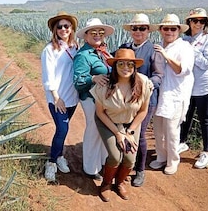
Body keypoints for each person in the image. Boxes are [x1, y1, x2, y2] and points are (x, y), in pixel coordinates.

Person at [90, 48, 152, 202]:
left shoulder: (143, 82)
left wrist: (129, 132)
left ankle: (119, 183)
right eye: (121, 64)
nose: (126, 68)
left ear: (134, 66)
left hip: (131, 123)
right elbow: (100, 113)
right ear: (115, 66)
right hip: (108, 121)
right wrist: (118, 134)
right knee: (115, 155)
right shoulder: (104, 84)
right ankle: (105, 184)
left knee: (130, 158)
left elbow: (143, 111)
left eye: (130, 65)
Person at [118, 13, 165, 187]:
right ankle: (123, 164)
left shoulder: (154, 49)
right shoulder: (123, 47)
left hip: (146, 100)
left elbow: (159, 76)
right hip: (125, 99)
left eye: (142, 28)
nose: (138, 31)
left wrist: (147, 85)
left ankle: (140, 170)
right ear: (131, 31)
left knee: (140, 134)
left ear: (148, 31)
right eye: (135, 28)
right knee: (124, 130)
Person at [149, 14, 194, 175]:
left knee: (172, 130)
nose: (169, 31)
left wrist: (165, 55)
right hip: (160, 95)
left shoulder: (185, 47)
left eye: (173, 29)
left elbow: (182, 69)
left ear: (179, 31)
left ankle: (172, 160)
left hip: (176, 95)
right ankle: (161, 157)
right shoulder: (159, 45)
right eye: (166, 28)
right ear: (161, 30)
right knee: (158, 128)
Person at [73, 18, 115, 180]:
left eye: (100, 32)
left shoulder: (103, 51)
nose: (98, 35)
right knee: (94, 130)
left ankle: (103, 162)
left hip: (104, 98)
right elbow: (78, 81)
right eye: (93, 32)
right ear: (86, 36)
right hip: (90, 98)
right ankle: (90, 168)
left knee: (103, 130)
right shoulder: (83, 55)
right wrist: (93, 78)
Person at [178, 8, 208, 169]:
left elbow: (205, 64)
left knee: (205, 119)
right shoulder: (184, 39)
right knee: (186, 116)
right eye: (195, 20)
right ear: (189, 22)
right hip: (188, 86)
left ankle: (207, 152)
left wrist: (191, 48)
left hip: (206, 86)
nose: (198, 24)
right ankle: (182, 142)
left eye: (202, 21)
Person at [42, 11, 80, 182]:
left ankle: (59, 157)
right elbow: (48, 76)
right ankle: (51, 162)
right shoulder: (49, 50)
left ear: (71, 28)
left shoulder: (76, 47)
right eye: (60, 26)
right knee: (62, 129)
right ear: (55, 30)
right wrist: (57, 98)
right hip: (58, 99)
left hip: (72, 97)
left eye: (67, 26)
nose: (63, 29)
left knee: (63, 129)